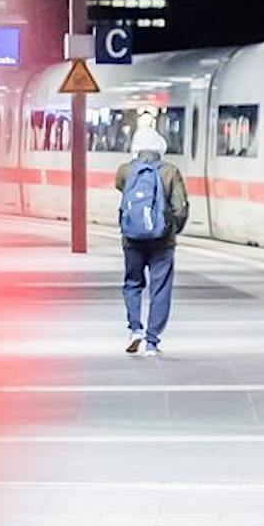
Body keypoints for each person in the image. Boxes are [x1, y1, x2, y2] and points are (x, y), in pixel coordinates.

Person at [115, 116, 189, 356]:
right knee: (160, 289)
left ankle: (135, 328)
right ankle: (152, 341)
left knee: (133, 283)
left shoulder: (126, 170)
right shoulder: (170, 171)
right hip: (162, 242)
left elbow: (121, 190)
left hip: (132, 239)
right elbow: (181, 207)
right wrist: (171, 230)